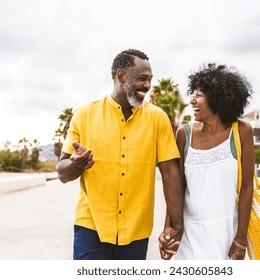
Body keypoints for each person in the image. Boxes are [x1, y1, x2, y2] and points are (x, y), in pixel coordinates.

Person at [56, 49, 184, 260]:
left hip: (136, 231)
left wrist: (176, 225)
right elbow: (62, 172)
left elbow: (170, 174)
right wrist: (78, 163)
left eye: (150, 80)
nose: (148, 85)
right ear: (121, 75)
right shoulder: (85, 115)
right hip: (91, 227)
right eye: (142, 79)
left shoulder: (158, 118)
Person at [159, 63, 254, 260]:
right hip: (190, 233)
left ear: (217, 97)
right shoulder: (184, 134)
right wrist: (169, 228)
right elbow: (176, 188)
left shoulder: (242, 132)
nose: (192, 100)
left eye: (199, 95)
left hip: (227, 232)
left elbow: (246, 187)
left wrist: (241, 238)